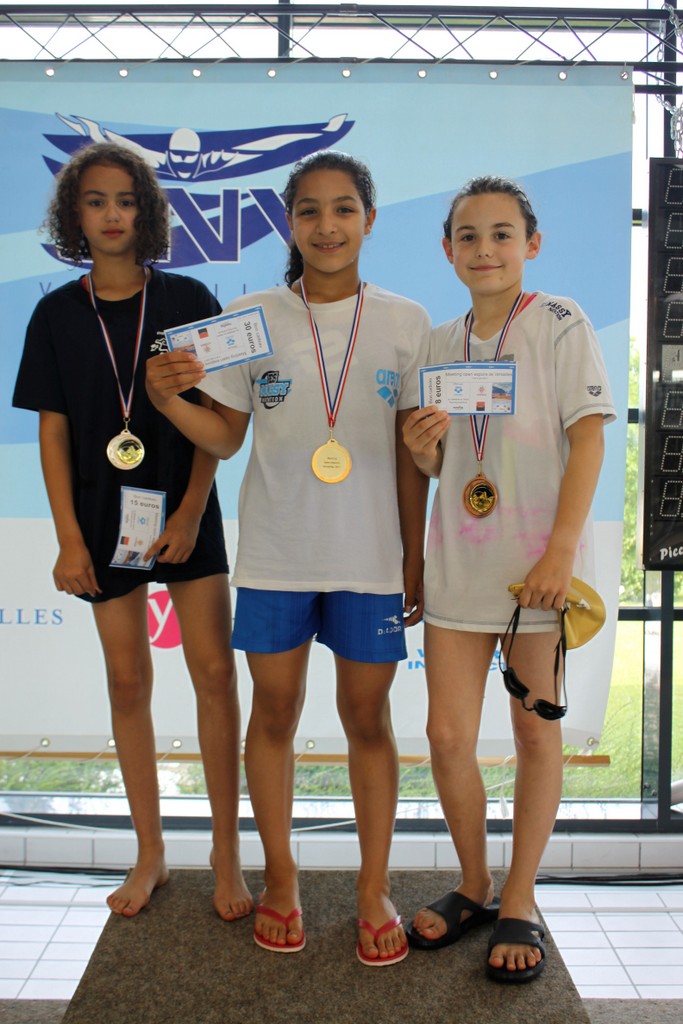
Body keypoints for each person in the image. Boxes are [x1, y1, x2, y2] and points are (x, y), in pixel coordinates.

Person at [145, 150, 431, 964]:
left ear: (369, 220)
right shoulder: (251, 316)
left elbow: (412, 455)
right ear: (288, 222)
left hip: (369, 559)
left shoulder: (406, 321)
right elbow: (224, 439)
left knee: (367, 720)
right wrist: (167, 399)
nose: (326, 225)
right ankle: (280, 876)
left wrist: (413, 558)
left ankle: (373, 887)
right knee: (273, 716)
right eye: (309, 210)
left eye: (343, 209)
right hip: (276, 556)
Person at [13, 142, 252, 923]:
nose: (111, 214)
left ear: (145, 212)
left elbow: (219, 419)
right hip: (98, 519)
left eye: (124, 200)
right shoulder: (55, 313)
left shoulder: (189, 297)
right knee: (126, 683)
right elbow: (52, 432)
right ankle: (149, 852)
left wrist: (189, 512)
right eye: (95, 201)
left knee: (214, 675)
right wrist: (68, 540)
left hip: (184, 513)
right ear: (73, 216)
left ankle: (225, 850)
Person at [402, 176, 615, 982]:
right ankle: (474, 883)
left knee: (533, 733)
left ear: (531, 244)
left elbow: (588, 439)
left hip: (537, 573)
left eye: (500, 234)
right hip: (459, 563)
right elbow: (440, 465)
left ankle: (520, 896)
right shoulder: (437, 340)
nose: (484, 249)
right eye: (467, 235)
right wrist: (423, 449)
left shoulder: (559, 321)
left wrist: (560, 553)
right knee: (446, 737)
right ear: (447, 249)